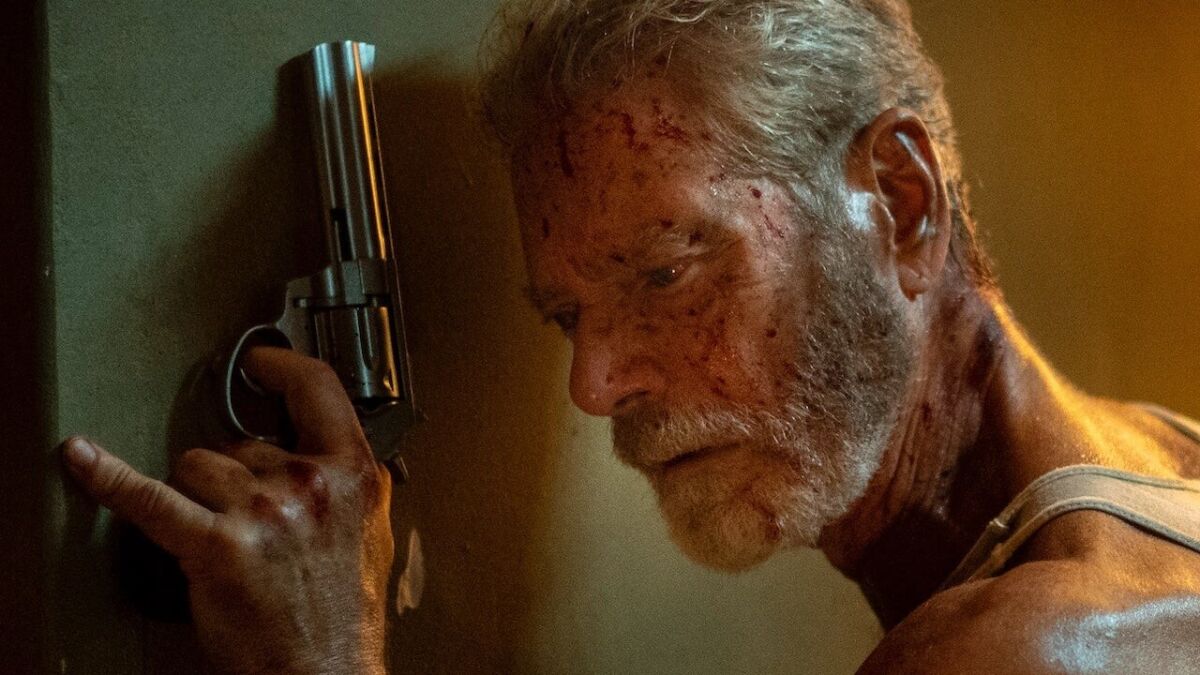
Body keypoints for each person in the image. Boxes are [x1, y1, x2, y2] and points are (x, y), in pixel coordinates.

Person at [64, 0, 1200, 672]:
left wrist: (322, 660)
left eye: (665, 271)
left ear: (900, 205)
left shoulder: (1015, 654)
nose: (594, 385)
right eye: (566, 315)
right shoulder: (1173, 461)